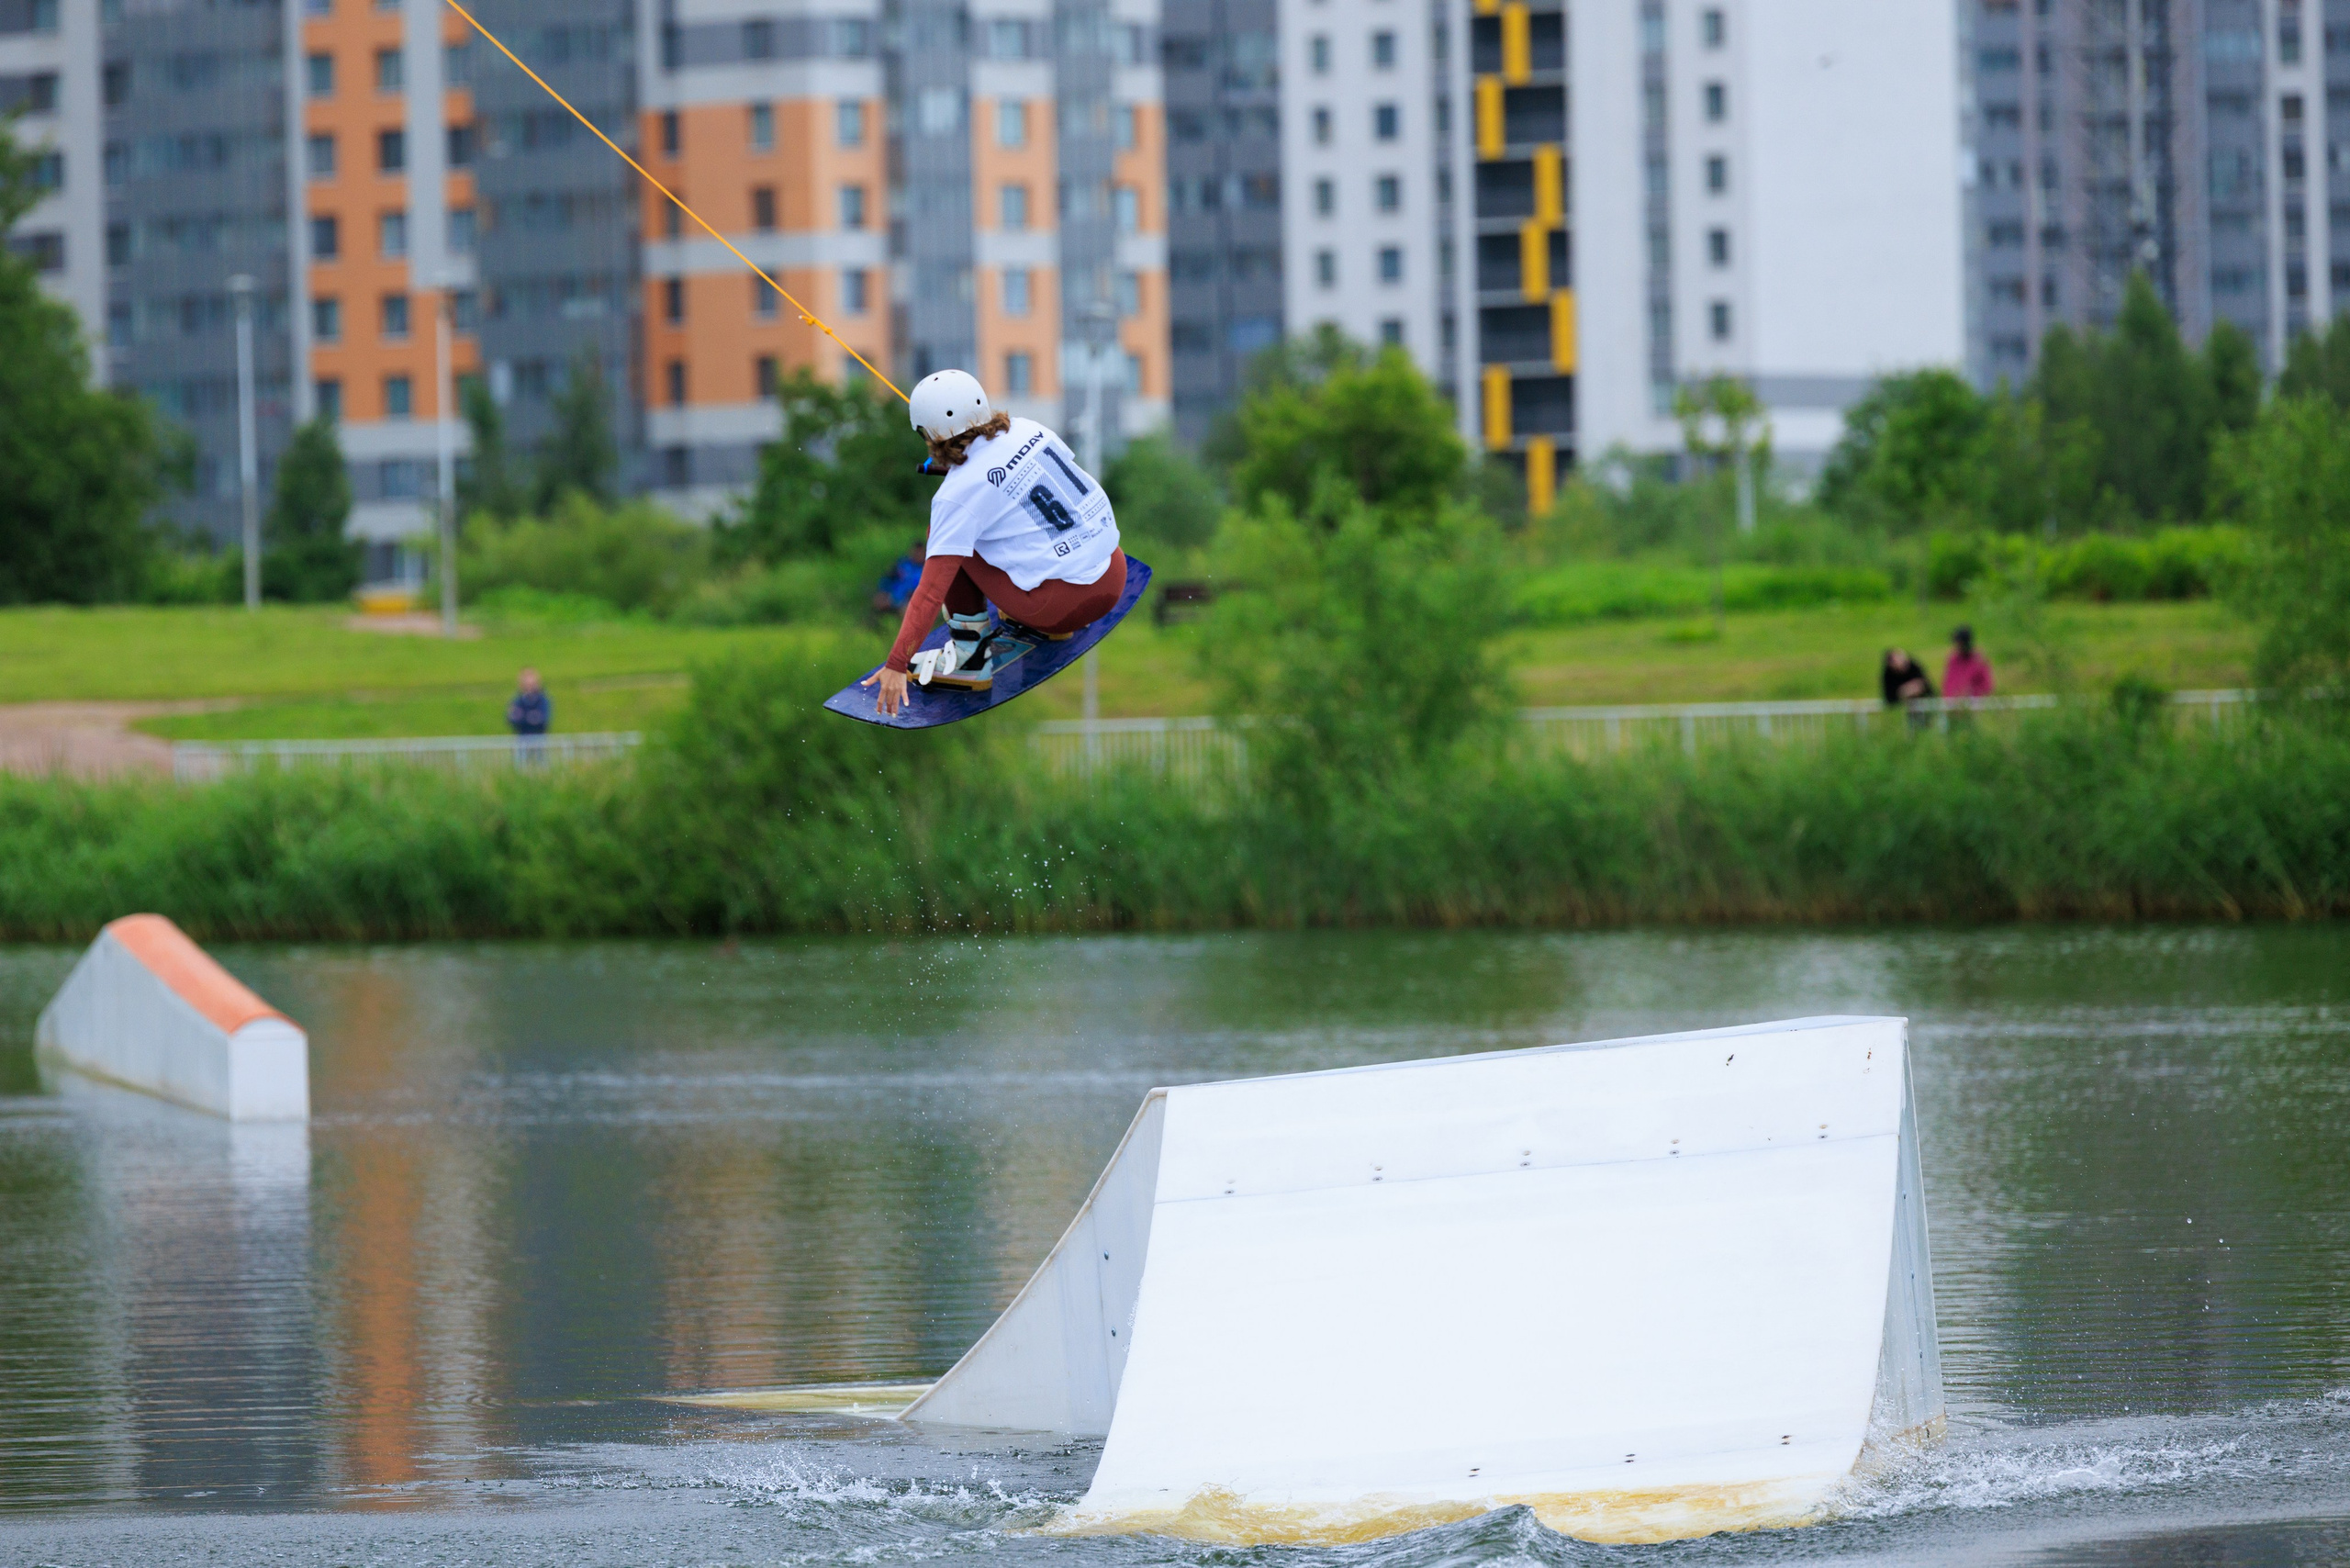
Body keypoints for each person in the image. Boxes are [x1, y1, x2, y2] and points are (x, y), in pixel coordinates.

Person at [862, 368, 1125, 718]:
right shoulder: (1029, 428)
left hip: (1059, 608)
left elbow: (929, 592)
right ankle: (1039, 607)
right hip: (1113, 574)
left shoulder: (955, 496)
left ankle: (970, 658)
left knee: (945, 538)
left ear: (930, 435)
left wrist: (897, 664)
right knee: (984, 527)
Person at [507, 666, 551, 764]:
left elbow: (543, 719)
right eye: (526, 684)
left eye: (531, 684)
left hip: (539, 740)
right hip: (522, 739)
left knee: (541, 766)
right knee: (521, 766)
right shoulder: (518, 700)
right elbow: (511, 718)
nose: (529, 688)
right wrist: (529, 717)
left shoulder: (542, 700)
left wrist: (523, 716)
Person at [1942, 625, 1995, 700]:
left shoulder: (1979, 661)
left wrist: (1970, 693)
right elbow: (1948, 685)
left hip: (1975, 701)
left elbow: (1987, 686)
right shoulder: (1953, 660)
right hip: (1954, 703)